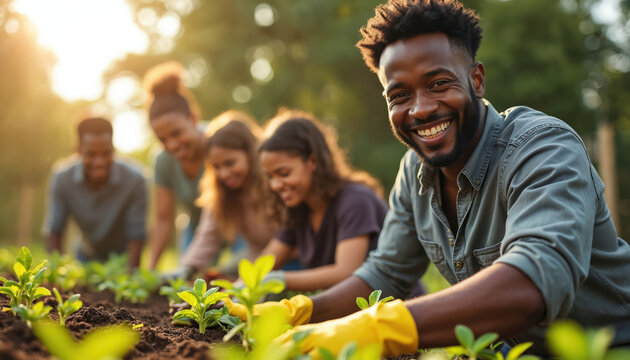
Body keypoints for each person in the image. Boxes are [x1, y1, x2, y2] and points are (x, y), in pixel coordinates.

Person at [227, 0, 630, 357]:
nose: (419, 110)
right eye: (399, 95)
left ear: (476, 79)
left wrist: (381, 326)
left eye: (439, 84)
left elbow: (534, 281)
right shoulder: (413, 171)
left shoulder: (541, 147)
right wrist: (298, 311)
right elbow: (385, 274)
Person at [253, 110, 388, 292]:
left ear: (313, 161)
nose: (275, 185)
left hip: (394, 309)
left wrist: (278, 279)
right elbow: (264, 265)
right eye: (270, 176)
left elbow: (346, 272)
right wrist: (228, 294)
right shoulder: (298, 210)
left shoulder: (355, 200)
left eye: (284, 173)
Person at [165, 110, 278, 280]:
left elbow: (286, 242)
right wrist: (187, 268)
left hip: (290, 261)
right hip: (257, 258)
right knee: (218, 274)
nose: (224, 173)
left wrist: (246, 280)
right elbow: (207, 236)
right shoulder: (222, 192)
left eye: (230, 163)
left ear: (251, 155)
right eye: (216, 167)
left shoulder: (274, 184)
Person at [43, 116, 147, 268]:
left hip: (121, 262)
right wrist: (57, 272)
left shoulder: (135, 180)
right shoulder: (62, 178)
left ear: (114, 149)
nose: (99, 162)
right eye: (91, 154)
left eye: (106, 153)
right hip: (85, 257)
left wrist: (131, 274)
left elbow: (136, 231)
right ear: (78, 151)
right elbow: (55, 228)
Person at [143, 61, 206, 269]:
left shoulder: (219, 143)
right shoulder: (162, 161)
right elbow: (163, 220)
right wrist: (151, 268)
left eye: (177, 133)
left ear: (193, 119)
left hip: (235, 225)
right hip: (195, 228)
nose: (171, 145)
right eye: (162, 140)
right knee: (187, 277)